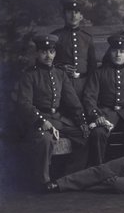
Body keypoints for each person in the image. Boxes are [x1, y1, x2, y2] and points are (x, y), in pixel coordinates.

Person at [17, 34, 89, 189]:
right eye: (44, 52)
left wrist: (82, 121)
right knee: (44, 140)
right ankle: (44, 181)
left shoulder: (60, 74)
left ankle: (68, 178)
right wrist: (43, 121)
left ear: (55, 53)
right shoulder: (29, 75)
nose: (48, 56)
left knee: (84, 136)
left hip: (58, 118)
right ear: (37, 53)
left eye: (51, 51)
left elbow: (73, 102)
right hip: (37, 120)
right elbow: (24, 104)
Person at [83, 34, 124, 166]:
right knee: (98, 133)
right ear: (110, 52)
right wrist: (96, 115)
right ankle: (99, 169)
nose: (118, 54)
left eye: (122, 51)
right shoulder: (99, 73)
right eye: (115, 51)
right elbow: (89, 96)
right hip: (106, 115)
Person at [51, 0, 97, 99]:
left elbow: (92, 67)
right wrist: (61, 68)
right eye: (69, 12)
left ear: (81, 16)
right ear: (64, 15)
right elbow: (47, 63)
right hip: (61, 85)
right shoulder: (55, 37)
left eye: (76, 12)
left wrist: (90, 89)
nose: (73, 15)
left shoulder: (87, 38)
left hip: (84, 86)